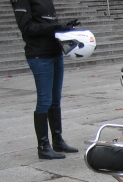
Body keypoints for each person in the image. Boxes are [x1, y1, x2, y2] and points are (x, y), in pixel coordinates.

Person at [11, 0, 79, 160]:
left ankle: (57, 140)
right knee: (44, 100)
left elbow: (48, 25)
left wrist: (65, 29)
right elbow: (27, 28)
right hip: (39, 54)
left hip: (54, 52)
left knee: (55, 100)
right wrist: (55, 27)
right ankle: (43, 146)